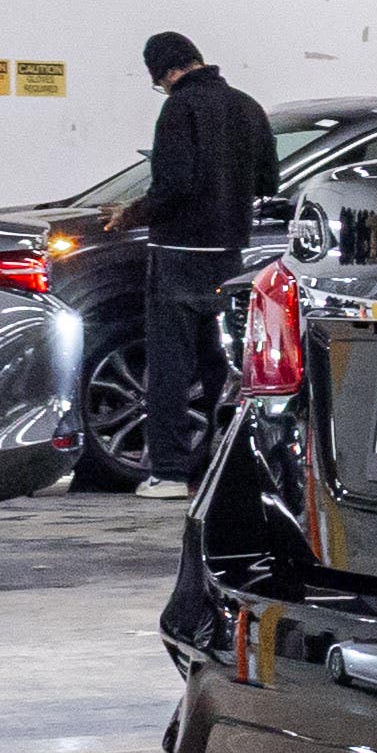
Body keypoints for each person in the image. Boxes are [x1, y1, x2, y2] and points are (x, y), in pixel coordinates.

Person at [134, 32, 277, 499]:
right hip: (229, 254)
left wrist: (134, 212)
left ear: (167, 70)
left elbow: (173, 185)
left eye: (159, 80)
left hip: (178, 253)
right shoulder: (248, 106)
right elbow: (268, 181)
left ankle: (169, 472)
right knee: (224, 363)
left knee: (170, 366)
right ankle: (225, 464)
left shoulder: (179, 108)